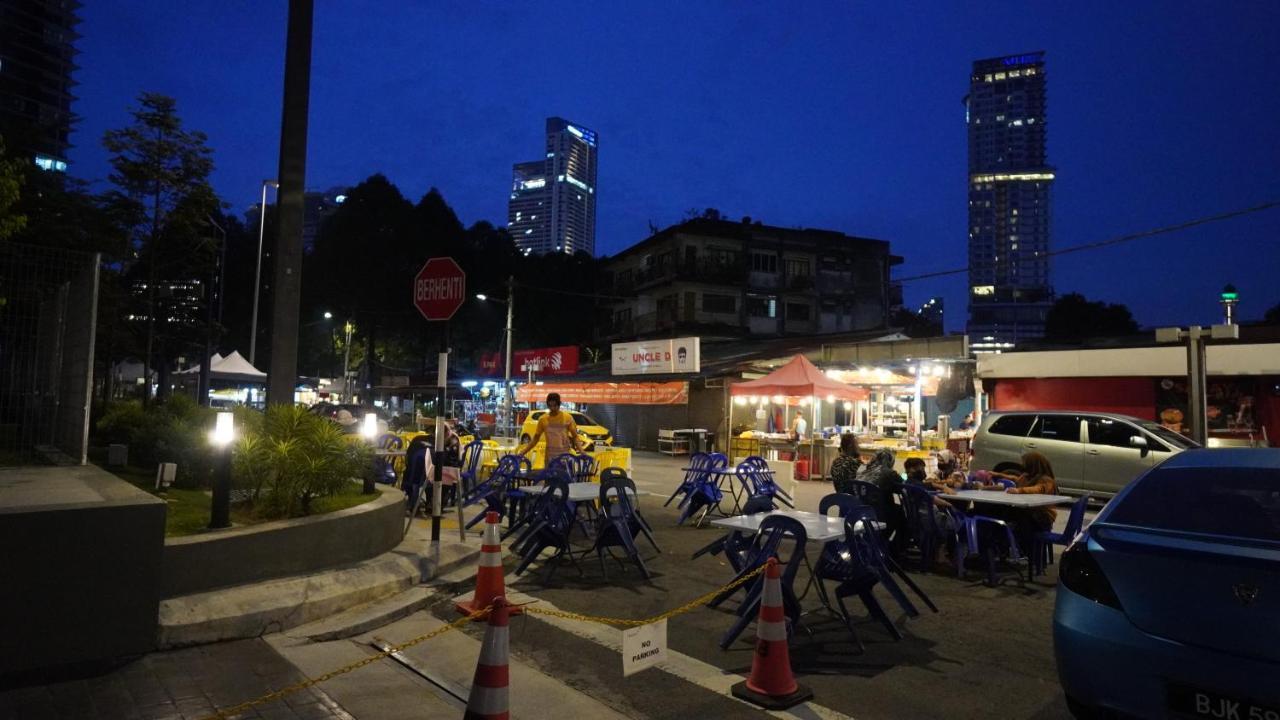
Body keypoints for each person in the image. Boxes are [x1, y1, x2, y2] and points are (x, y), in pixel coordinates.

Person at [518, 392, 581, 460]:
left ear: (559, 405)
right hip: (550, 458)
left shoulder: (568, 418)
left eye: (555, 406)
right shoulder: (543, 419)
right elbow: (535, 439)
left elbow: (575, 437)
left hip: (564, 457)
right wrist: (522, 452)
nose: (552, 408)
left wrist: (582, 451)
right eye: (550, 406)